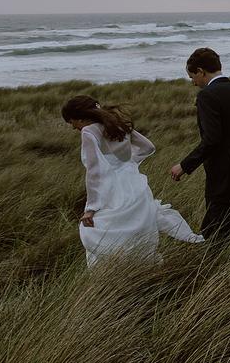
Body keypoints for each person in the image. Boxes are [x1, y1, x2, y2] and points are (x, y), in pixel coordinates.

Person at [62, 95, 203, 267]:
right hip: (134, 184)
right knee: (137, 225)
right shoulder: (117, 124)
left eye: (71, 122)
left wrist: (90, 209)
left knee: (96, 230)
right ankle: (141, 266)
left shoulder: (88, 131)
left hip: (112, 188)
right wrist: (126, 164)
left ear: (80, 117)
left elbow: (95, 172)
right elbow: (148, 147)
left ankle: (114, 273)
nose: (72, 127)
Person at [170, 47, 230, 239]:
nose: (194, 83)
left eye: (192, 77)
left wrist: (184, 165)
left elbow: (212, 139)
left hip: (222, 172)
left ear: (201, 71)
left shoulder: (207, 96)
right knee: (229, 220)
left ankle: (220, 265)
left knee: (213, 228)